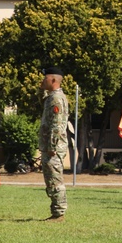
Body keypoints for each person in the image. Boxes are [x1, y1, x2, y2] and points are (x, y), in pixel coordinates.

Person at [38, 66, 69, 221]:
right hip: (51, 147)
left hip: (54, 148)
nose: (42, 80)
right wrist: (42, 89)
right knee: (51, 179)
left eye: (45, 78)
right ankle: (56, 211)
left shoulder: (57, 99)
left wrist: (52, 146)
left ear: (54, 80)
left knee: (55, 180)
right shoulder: (51, 97)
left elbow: (57, 125)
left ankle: (59, 213)